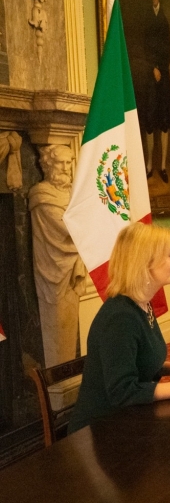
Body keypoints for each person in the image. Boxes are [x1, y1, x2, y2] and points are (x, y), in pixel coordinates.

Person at [68, 223, 170, 433]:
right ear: (144, 262)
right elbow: (123, 391)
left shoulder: (142, 305)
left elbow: (139, 360)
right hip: (103, 430)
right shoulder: (120, 317)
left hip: (132, 418)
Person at [29, 145, 87, 367]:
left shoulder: (71, 192)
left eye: (68, 162)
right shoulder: (41, 195)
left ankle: (66, 381)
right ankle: (57, 385)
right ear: (47, 166)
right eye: (60, 163)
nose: (65, 167)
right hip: (52, 271)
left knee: (68, 325)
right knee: (57, 329)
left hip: (71, 268)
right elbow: (69, 229)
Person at [137, 0, 170, 183]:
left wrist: (161, 68)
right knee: (150, 120)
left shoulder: (165, 20)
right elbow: (143, 46)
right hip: (150, 76)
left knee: (165, 119)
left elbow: (168, 49)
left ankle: (163, 166)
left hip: (164, 74)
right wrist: (152, 68)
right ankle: (149, 164)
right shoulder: (145, 18)